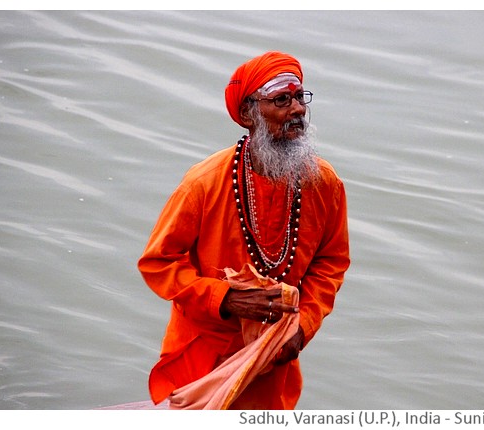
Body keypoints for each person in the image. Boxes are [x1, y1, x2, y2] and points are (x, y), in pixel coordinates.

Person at [138, 50, 350, 410]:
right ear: (249, 114)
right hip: (203, 355)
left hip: (274, 356)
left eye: (300, 97)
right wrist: (225, 300)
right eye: (281, 100)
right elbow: (158, 263)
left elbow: (331, 262)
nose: (297, 109)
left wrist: (303, 327)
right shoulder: (203, 184)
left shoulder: (323, 182)